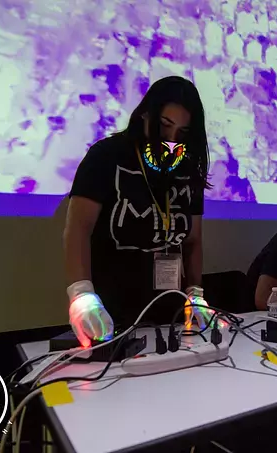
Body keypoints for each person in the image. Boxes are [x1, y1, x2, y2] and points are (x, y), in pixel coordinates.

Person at [63, 76, 210, 346]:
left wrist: (195, 294)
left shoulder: (187, 169)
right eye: (165, 126)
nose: (171, 140)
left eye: (183, 133)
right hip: (111, 312)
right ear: (145, 114)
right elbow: (78, 230)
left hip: (170, 311)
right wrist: (81, 294)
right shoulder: (106, 156)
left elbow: (193, 240)